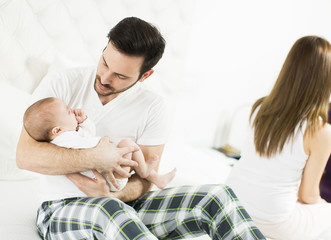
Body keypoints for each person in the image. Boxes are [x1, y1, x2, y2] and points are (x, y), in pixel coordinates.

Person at [16, 17, 266, 239]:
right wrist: (96, 157)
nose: (104, 78)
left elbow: (145, 179)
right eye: (104, 63)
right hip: (61, 208)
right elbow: (25, 156)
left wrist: (112, 195)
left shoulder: (154, 107)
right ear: (104, 49)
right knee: (111, 213)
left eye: (120, 76)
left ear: (145, 76)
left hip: (123, 204)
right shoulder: (60, 86)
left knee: (218, 197)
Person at [226, 36, 331, 240]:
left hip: (232, 204)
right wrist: (322, 205)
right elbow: (308, 195)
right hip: (271, 220)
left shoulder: (260, 108)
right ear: (326, 77)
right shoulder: (321, 131)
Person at [23, 97, 177, 200]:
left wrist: (83, 122)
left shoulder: (68, 137)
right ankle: (145, 172)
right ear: (56, 130)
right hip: (110, 178)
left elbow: (87, 135)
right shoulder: (64, 140)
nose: (73, 111)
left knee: (126, 146)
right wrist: (103, 145)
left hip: (107, 179)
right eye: (68, 112)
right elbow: (91, 142)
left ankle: (149, 173)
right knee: (128, 144)